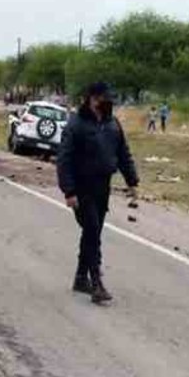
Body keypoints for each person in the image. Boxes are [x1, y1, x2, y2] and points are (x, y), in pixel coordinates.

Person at [56, 82, 139, 305]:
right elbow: (64, 159)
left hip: (103, 187)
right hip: (82, 188)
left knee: (93, 233)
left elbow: (123, 154)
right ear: (92, 98)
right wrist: (69, 191)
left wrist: (132, 181)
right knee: (92, 230)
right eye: (103, 98)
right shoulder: (76, 124)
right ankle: (97, 284)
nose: (107, 102)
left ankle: (80, 278)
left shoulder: (113, 124)